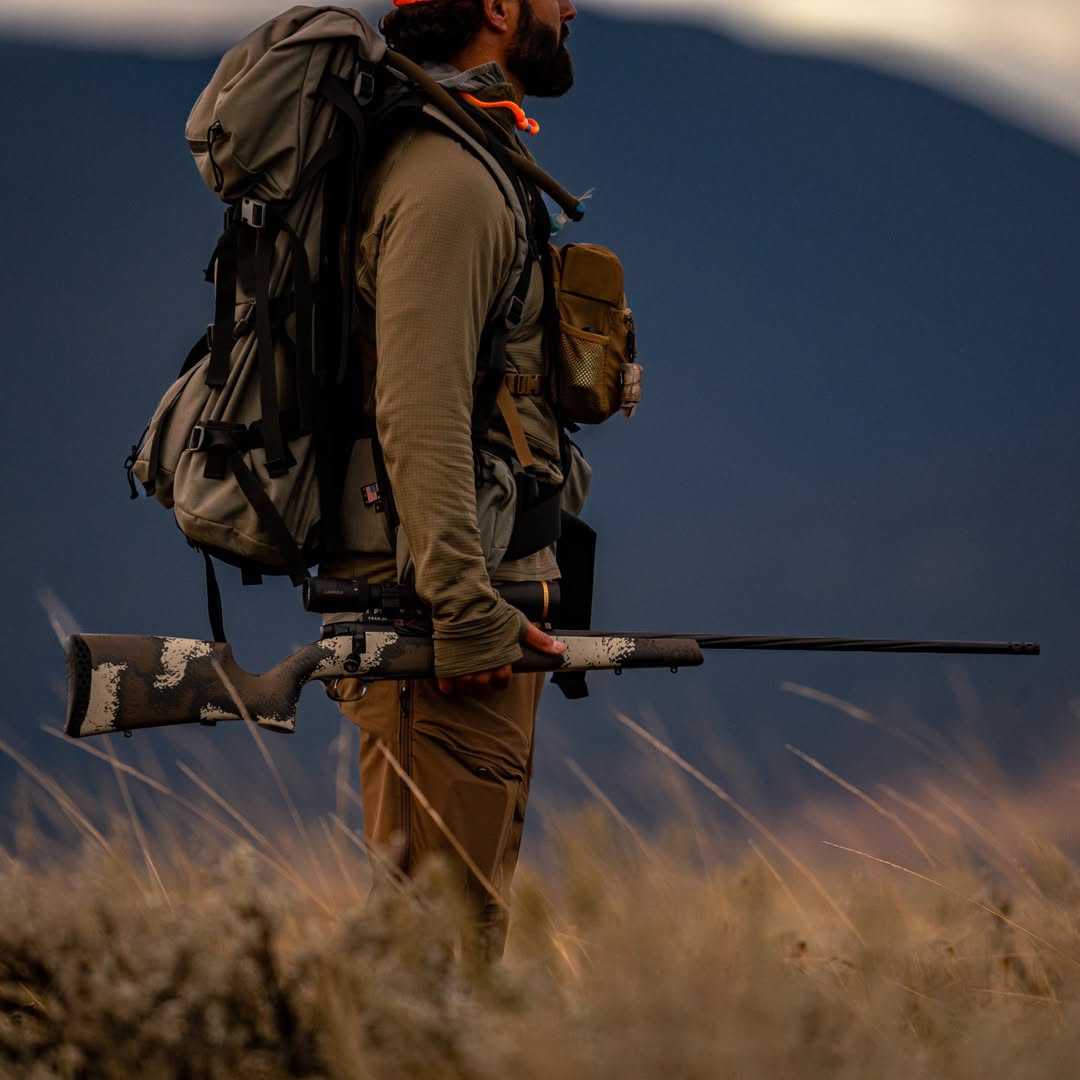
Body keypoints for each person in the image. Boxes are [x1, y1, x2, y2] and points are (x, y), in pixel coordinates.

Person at [321, 0, 582, 960]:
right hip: (441, 628)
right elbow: (418, 408)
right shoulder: (451, 180)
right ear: (500, 10)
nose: (570, 8)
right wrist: (468, 610)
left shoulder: (463, 161)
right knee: (436, 959)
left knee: (441, 947)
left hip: (446, 609)